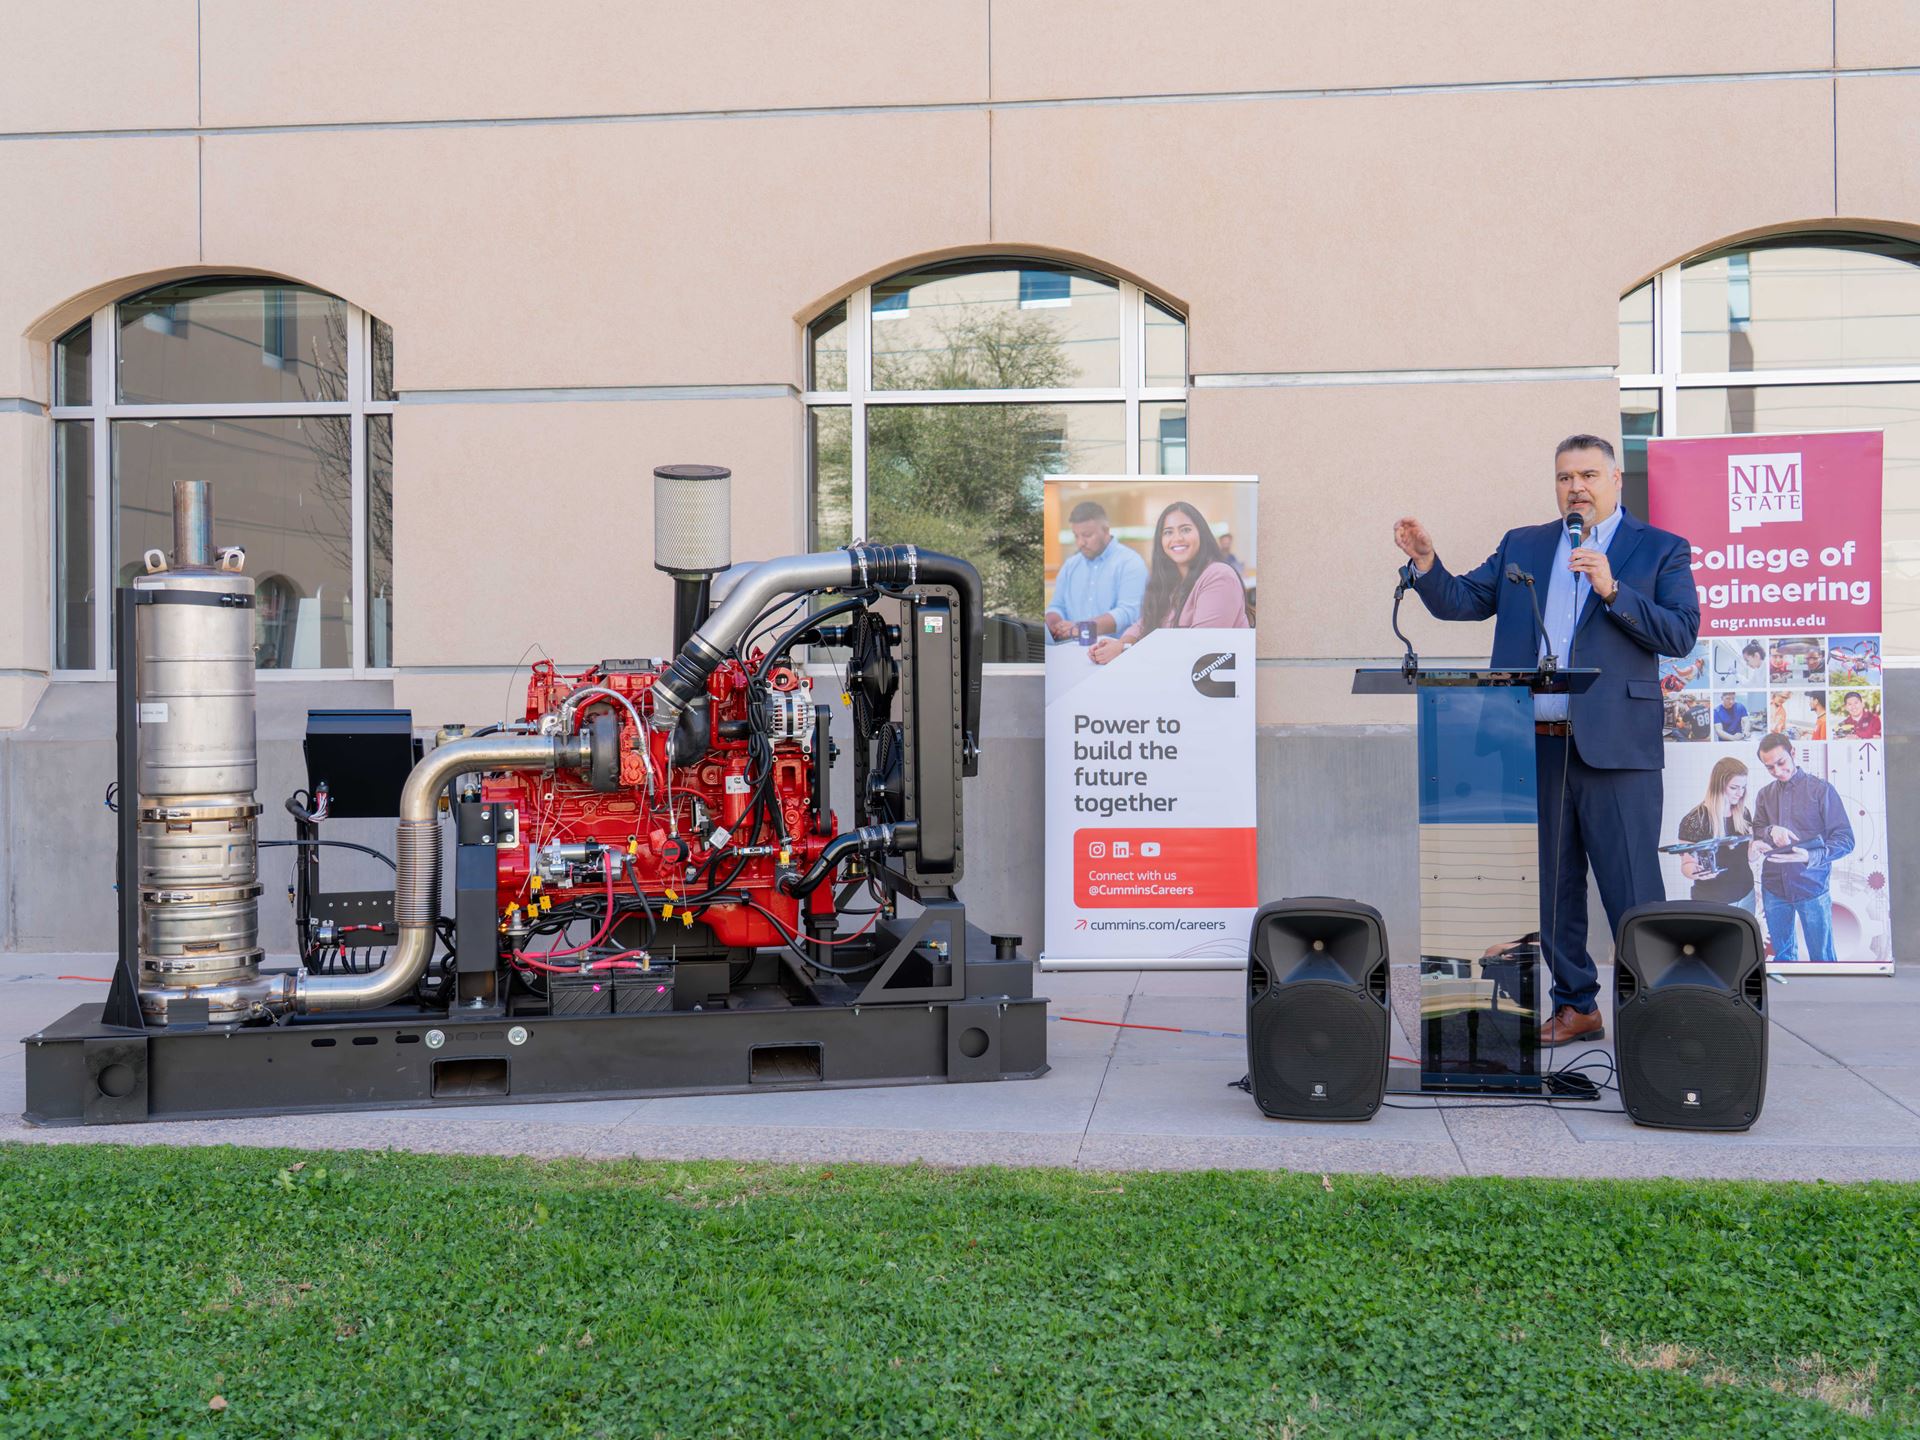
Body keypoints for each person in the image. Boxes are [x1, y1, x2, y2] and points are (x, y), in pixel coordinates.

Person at [1394, 434, 1698, 1045]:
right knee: (1554, 885)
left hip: (1616, 746)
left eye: (1588, 475)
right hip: (1535, 740)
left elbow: (1680, 633)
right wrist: (1428, 564)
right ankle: (1576, 1004)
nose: (1575, 487)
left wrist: (1613, 589)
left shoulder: (1660, 549)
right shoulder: (1524, 544)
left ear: (1616, 482)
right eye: (1564, 477)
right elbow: (1462, 602)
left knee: (1632, 886)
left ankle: (1658, 1014)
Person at [1089, 501, 1248, 663]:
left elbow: (1200, 648)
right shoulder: (1172, 582)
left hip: (1207, 683)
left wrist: (1125, 650)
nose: (1177, 538)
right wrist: (1120, 644)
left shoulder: (1219, 576)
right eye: (1168, 532)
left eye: (1185, 529)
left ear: (1201, 533)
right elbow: (1144, 623)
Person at [1753, 732, 1855, 961]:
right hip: (1774, 887)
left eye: (1781, 763)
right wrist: (1770, 831)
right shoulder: (1764, 795)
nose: (1778, 771)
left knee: (1823, 958)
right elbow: (1757, 829)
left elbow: (1845, 839)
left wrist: (1809, 856)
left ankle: (1826, 998)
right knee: (1783, 957)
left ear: (1793, 753)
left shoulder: (1821, 790)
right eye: (1770, 767)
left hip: (1812, 887)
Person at [1043, 501, 1147, 645]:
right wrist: (1055, 625)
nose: (1080, 543)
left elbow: (1128, 613)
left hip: (1114, 655)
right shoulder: (1070, 566)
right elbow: (1057, 606)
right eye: (1076, 536)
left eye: (1087, 535)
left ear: (1105, 530)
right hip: (1068, 651)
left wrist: (1079, 628)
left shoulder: (1131, 563)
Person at [1675, 757, 1760, 914]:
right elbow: (1686, 865)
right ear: (1718, 785)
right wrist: (1698, 872)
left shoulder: (1743, 813)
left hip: (1746, 896)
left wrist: (1757, 848)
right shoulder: (1694, 820)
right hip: (1711, 901)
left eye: (1743, 787)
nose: (1740, 793)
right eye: (1734, 787)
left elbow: (1749, 858)